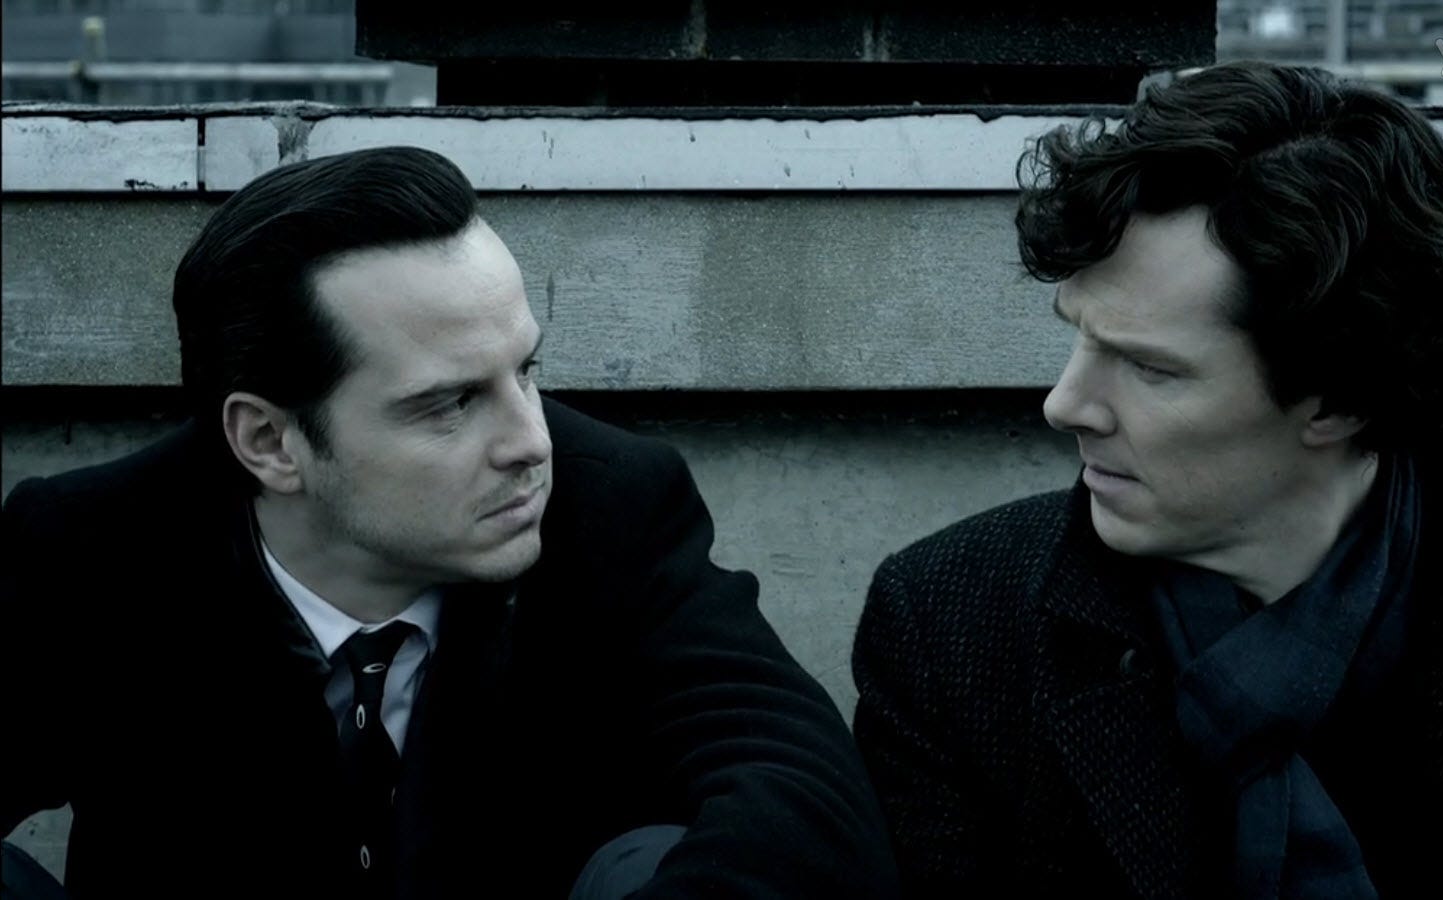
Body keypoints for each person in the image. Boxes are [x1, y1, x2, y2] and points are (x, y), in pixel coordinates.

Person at [1, 146, 897, 900]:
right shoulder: (95, 549)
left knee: (651, 858)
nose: (529, 442)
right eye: (450, 404)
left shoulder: (610, 506)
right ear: (270, 441)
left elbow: (807, 800)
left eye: (526, 371)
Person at [851, 61, 1443, 898]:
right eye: (1081, 336)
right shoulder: (951, 629)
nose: (1065, 405)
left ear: (1340, 399)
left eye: (1150, 368)